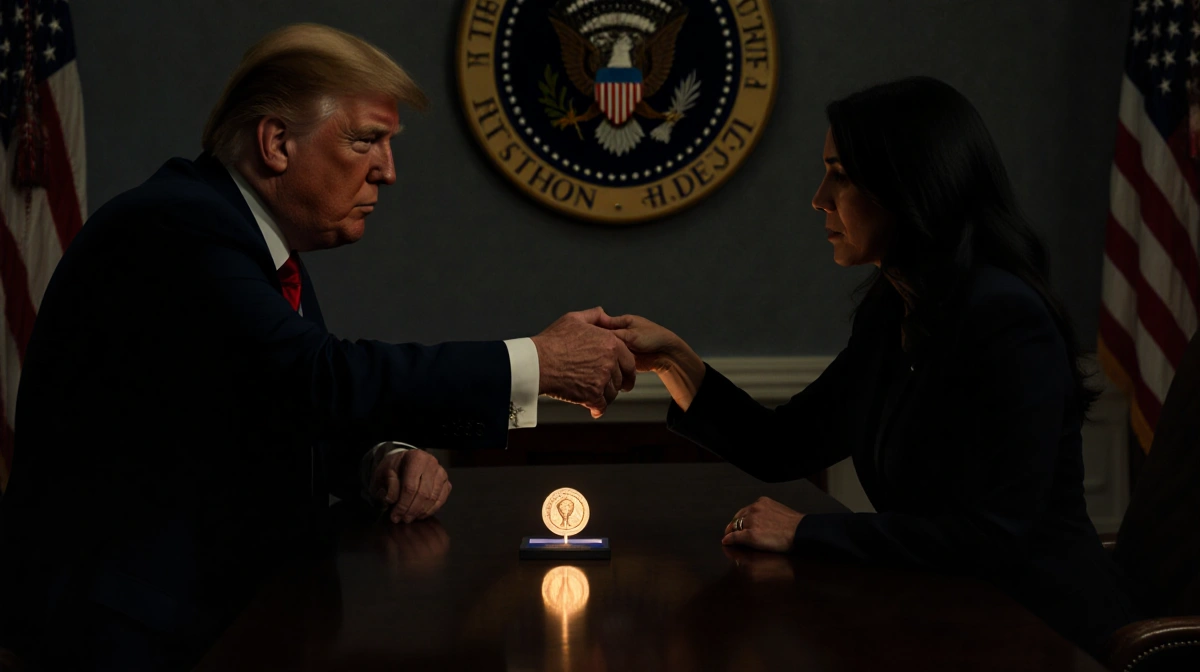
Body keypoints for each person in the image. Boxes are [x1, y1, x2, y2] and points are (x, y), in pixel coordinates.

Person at [0, 23, 635, 671]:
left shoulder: (256, 243)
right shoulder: (177, 226)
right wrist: (538, 361)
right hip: (124, 634)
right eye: (368, 141)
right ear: (276, 143)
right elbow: (315, 375)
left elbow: (273, 406)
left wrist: (377, 459)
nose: (387, 172)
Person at [604, 76, 1138, 654]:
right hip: (951, 621)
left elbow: (997, 537)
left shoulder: (1005, 316)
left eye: (841, 175)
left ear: (908, 186)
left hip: (1045, 635)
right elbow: (782, 445)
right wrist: (674, 360)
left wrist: (808, 531)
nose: (819, 198)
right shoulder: (895, 309)